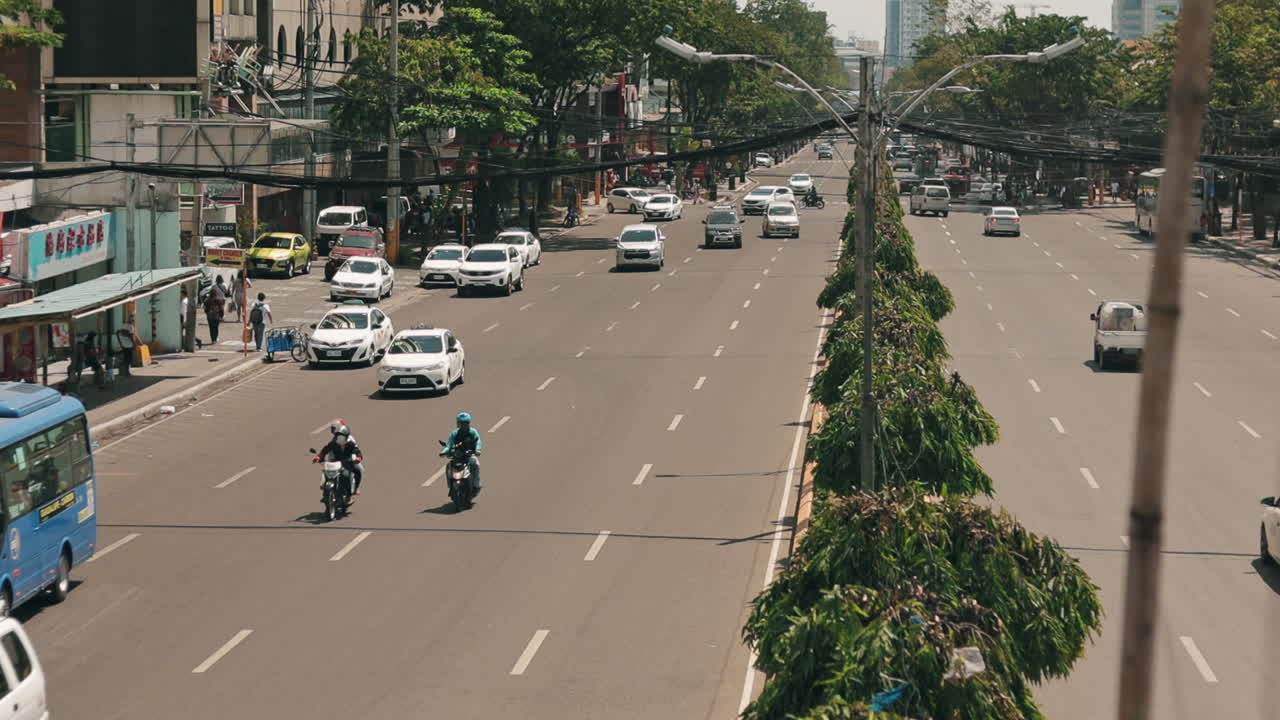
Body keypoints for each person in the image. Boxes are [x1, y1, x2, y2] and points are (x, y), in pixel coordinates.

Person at [314, 423, 363, 499]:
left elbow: (357, 452)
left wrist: (358, 458)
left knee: (350, 474)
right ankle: (326, 494)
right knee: (327, 474)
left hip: (347, 462)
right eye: (338, 436)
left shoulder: (351, 444)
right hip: (335, 463)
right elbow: (324, 450)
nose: (340, 438)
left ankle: (349, 495)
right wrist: (318, 457)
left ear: (346, 437)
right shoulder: (333, 443)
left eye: (342, 436)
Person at [439, 411, 483, 495]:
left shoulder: (473, 432)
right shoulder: (454, 433)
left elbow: (478, 441)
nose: (464, 425)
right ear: (458, 424)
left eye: (466, 423)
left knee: (475, 464)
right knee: (448, 467)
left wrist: (477, 450)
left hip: (469, 455)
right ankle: (450, 486)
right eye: (461, 423)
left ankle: (476, 485)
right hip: (457, 456)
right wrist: (443, 452)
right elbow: (449, 445)